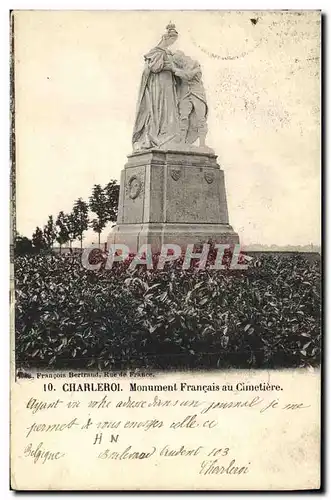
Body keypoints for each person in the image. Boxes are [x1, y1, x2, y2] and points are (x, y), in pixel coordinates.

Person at [132, 23, 180, 151]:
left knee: (169, 109)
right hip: (159, 84)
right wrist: (170, 66)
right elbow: (154, 67)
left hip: (169, 82)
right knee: (160, 109)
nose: (172, 43)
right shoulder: (156, 51)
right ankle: (158, 136)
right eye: (171, 40)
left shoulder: (168, 52)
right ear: (166, 38)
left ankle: (167, 135)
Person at [171, 50, 208, 148]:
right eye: (176, 61)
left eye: (179, 59)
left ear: (183, 56)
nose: (179, 62)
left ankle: (202, 145)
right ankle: (182, 142)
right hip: (185, 94)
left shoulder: (195, 64)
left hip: (197, 93)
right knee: (183, 117)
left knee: (201, 119)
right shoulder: (179, 67)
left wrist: (175, 70)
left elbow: (188, 76)